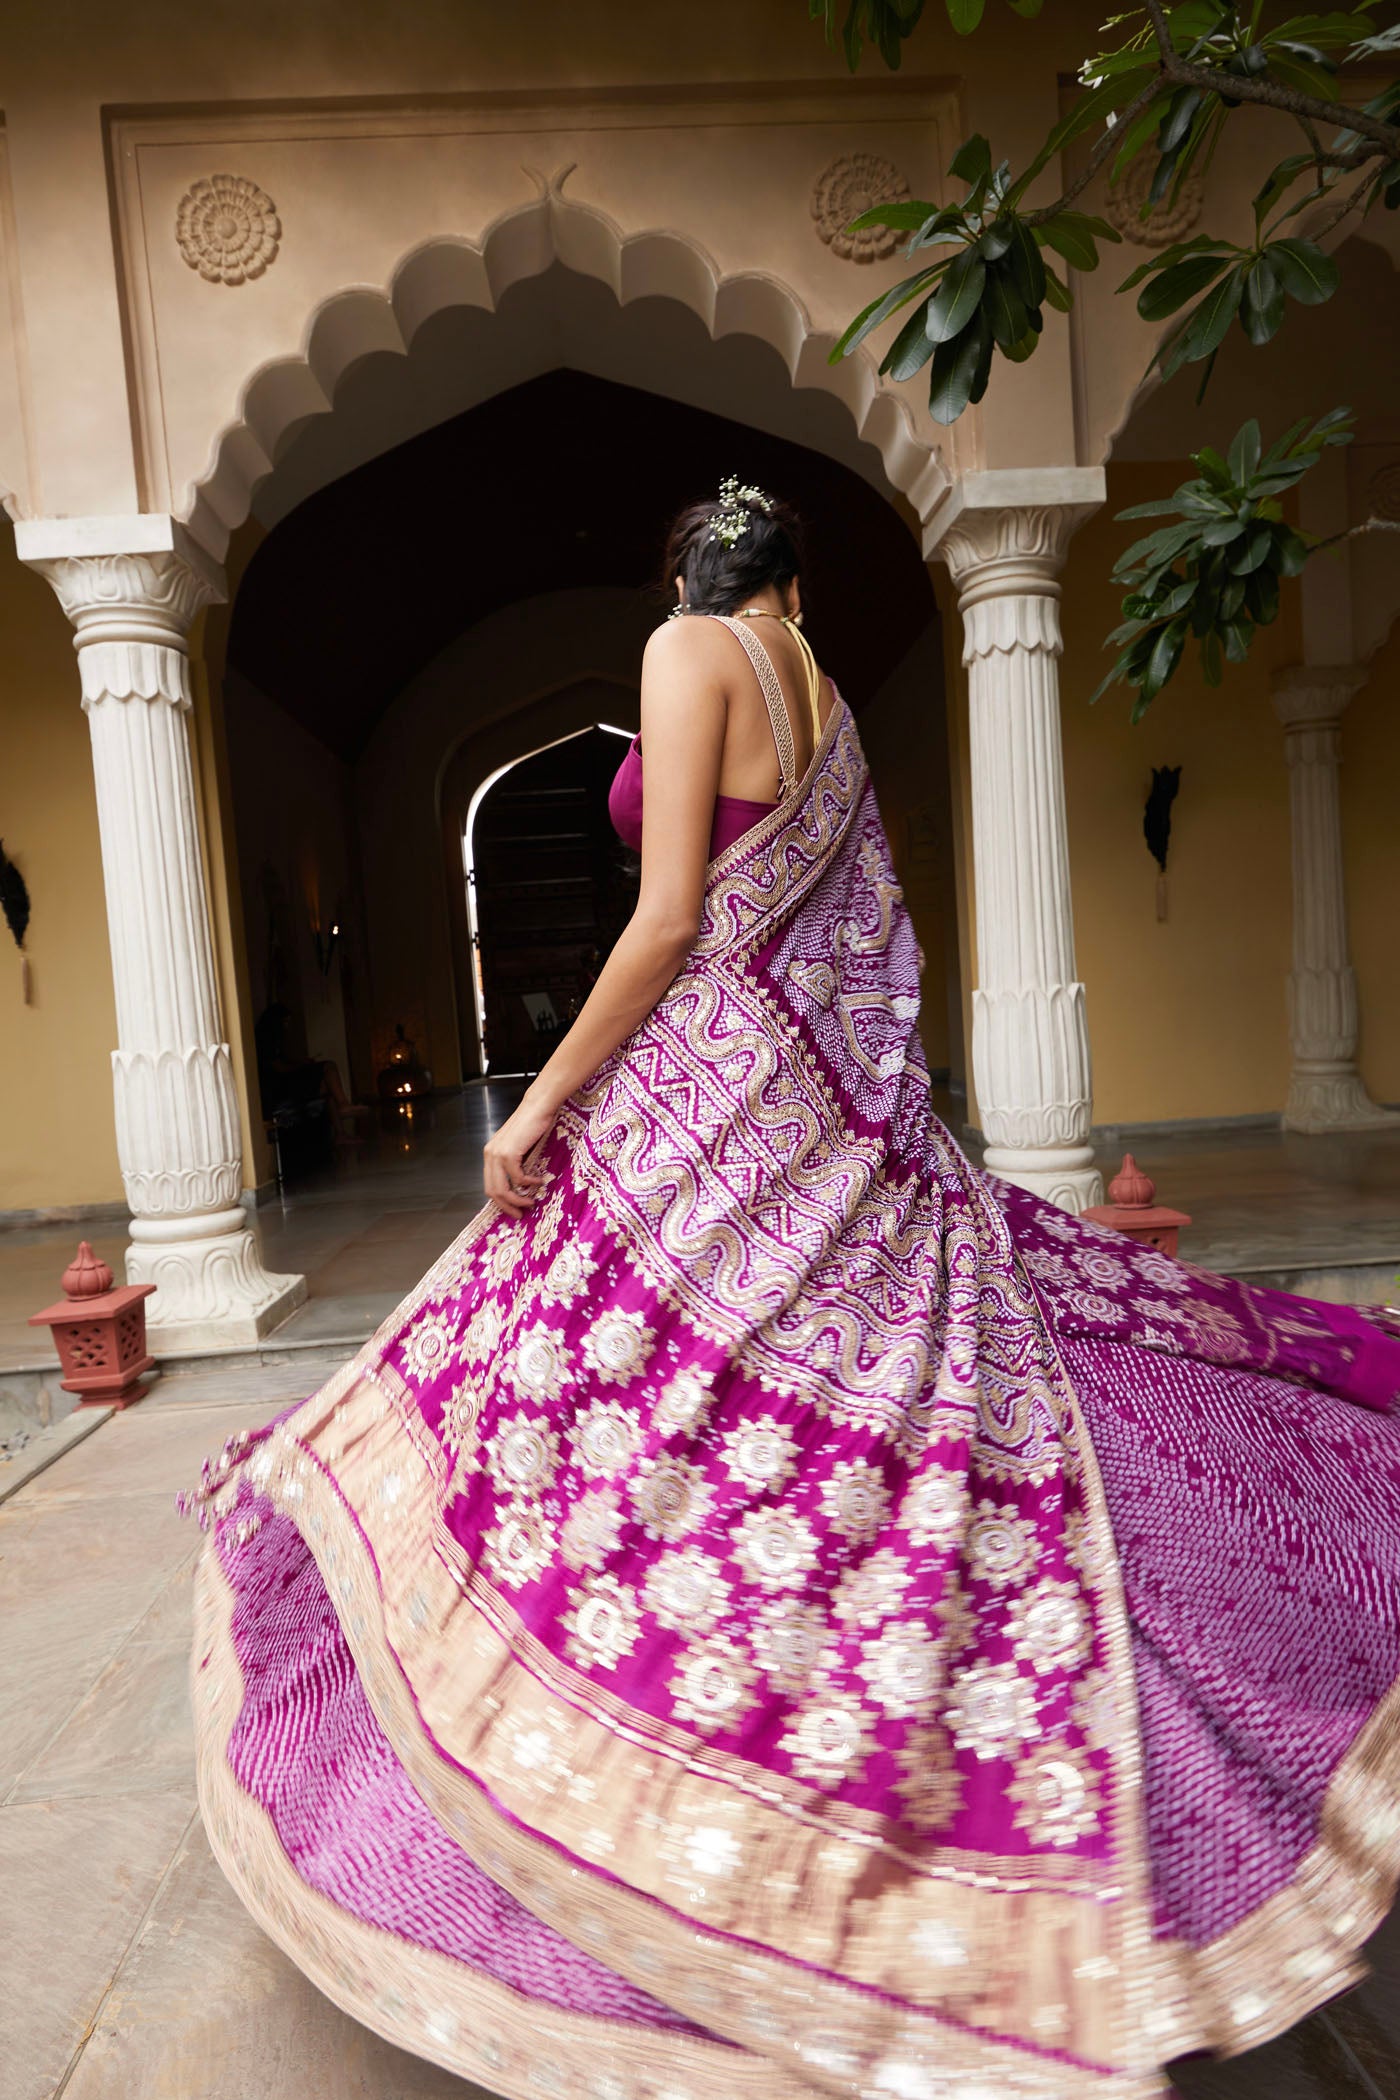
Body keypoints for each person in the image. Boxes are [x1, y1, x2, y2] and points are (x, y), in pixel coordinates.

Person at [186, 478, 1400, 2100]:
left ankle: (627, 1769)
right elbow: (861, 940)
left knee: (591, 1399)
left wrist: (541, 1103)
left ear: (687, 576)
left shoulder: (685, 649)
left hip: (722, 1096)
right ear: (803, 590)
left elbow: (674, 913)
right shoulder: (823, 696)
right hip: (822, 1100)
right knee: (812, 1402)